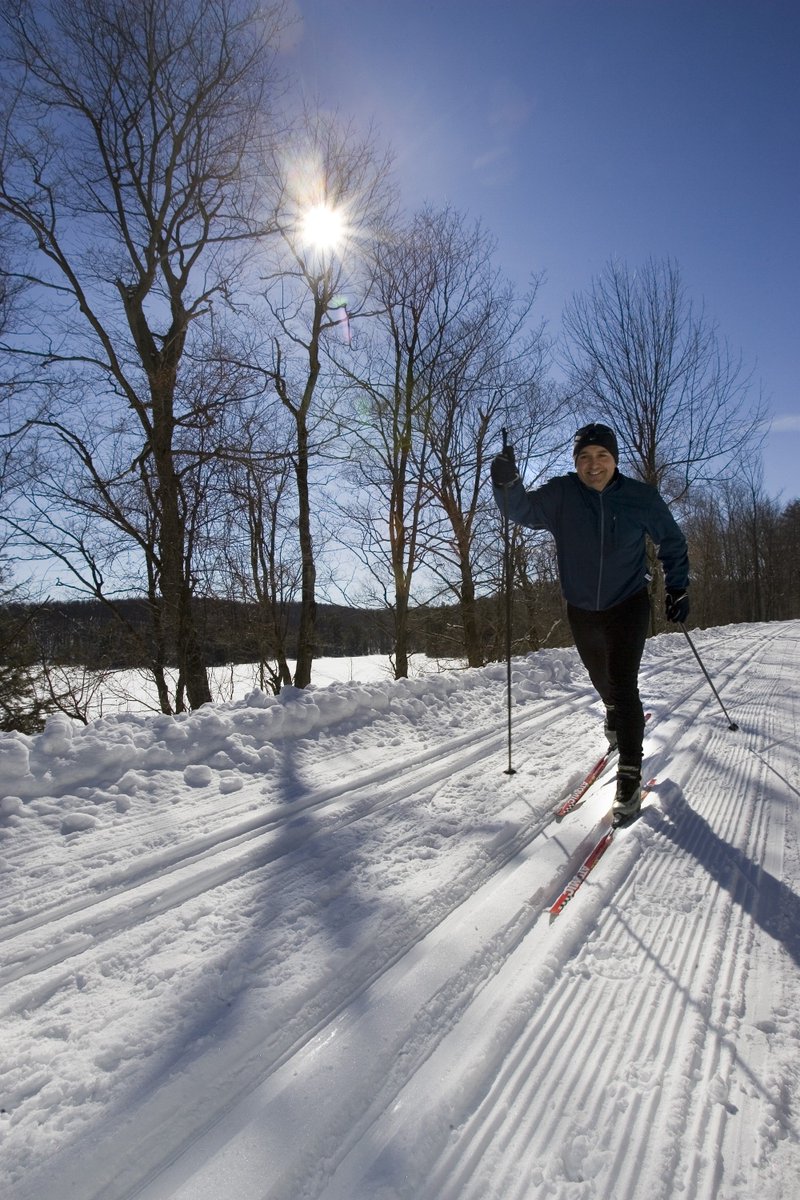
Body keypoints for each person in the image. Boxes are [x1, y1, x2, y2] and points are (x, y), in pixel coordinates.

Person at [491, 422, 689, 821]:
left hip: (628, 603)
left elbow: (671, 539)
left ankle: (629, 774)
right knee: (604, 684)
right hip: (581, 607)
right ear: (576, 462)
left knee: (623, 683)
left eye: (601, 456)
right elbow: (522, 510)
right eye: (584, 457)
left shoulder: (640, 498)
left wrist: (678, 586)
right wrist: (507, 482)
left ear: (614, 459)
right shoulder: (563, 494)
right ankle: (613, 711)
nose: (593, 465)